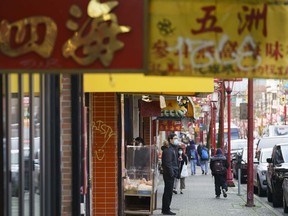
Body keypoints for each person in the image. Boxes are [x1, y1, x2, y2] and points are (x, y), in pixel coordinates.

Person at [161, 133, 179, 215]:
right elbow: (167, 163)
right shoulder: (168, 149)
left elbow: (171, 161)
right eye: (175, 138)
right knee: (168, 192)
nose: (176, 140)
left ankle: (166, 208)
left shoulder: (172, 149)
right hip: (169, 174)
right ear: (170, 139)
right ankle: (165, 209)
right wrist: (172, 173)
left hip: (170, 173)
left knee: (168, 191)